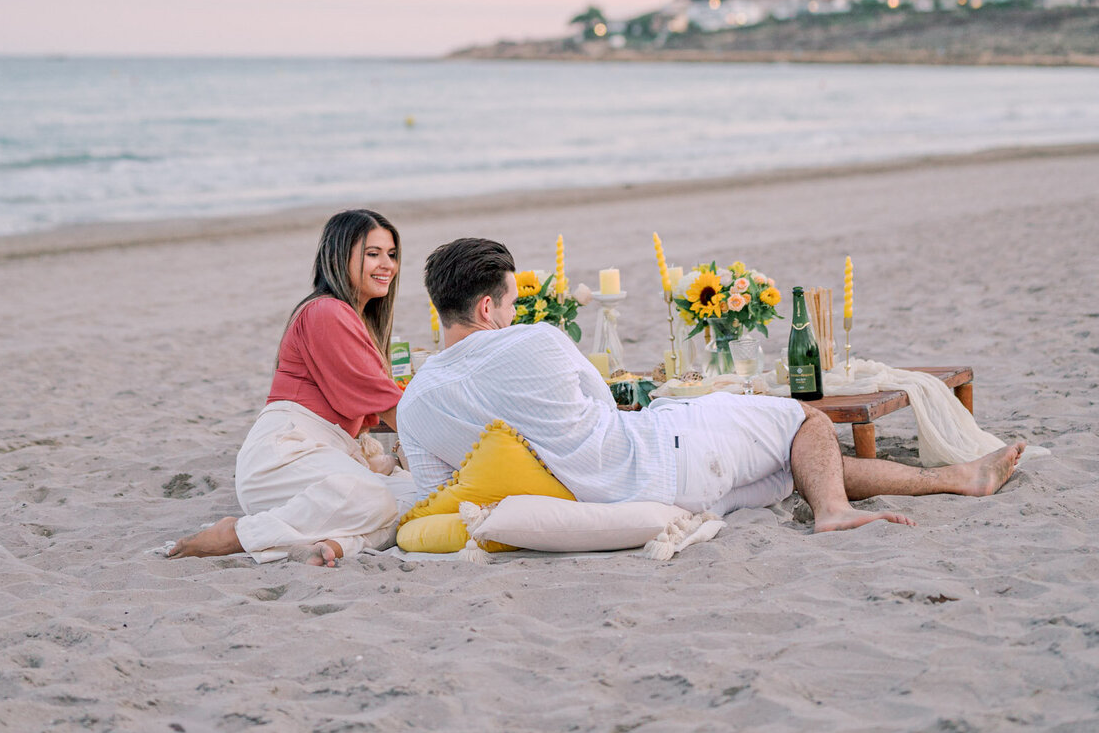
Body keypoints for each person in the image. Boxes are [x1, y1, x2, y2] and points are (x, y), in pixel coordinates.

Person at [397, 238, 1026, 533]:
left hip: (618, 495)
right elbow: (610, 404)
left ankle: (956, 479)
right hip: (660, 463)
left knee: (794, 465)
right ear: (487, 309)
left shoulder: (415, 401)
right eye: (509, 302)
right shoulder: (535, 341)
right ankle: (833, 514)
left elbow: (439, 494)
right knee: (802, 421)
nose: (514, 314)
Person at [169, 208, 414, 567]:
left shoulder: (355, 319)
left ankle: (332, 546)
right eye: (372, 254)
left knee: (412, 499)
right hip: (284, 456)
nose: (387, 265)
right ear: (339, 256)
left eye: (391, 255)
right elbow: (389, 405)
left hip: (324, 461)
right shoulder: (326, 312)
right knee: (376, 501)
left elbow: (372, 412)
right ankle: (235, 535)